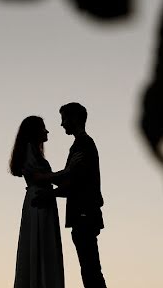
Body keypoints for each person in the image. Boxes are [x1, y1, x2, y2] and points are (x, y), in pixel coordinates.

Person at [51, 102, 107, 288]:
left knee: (90, 270)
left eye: (64, 119)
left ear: (74, 118)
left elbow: (73, 182)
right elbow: (70, 179)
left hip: (84, 215)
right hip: (84, 215)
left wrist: (45, 181)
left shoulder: (83, 144)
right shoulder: (81, 144)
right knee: (89, 270)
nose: (62, 124)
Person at [10, 116, 65, 288]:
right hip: (39, 201)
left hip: (43, 200)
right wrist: (67, 173)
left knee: (43, 246)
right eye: (43, 128)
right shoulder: (30, 151)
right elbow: (38, 176)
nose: (47, 131)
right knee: (41, 245)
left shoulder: (34, 152)